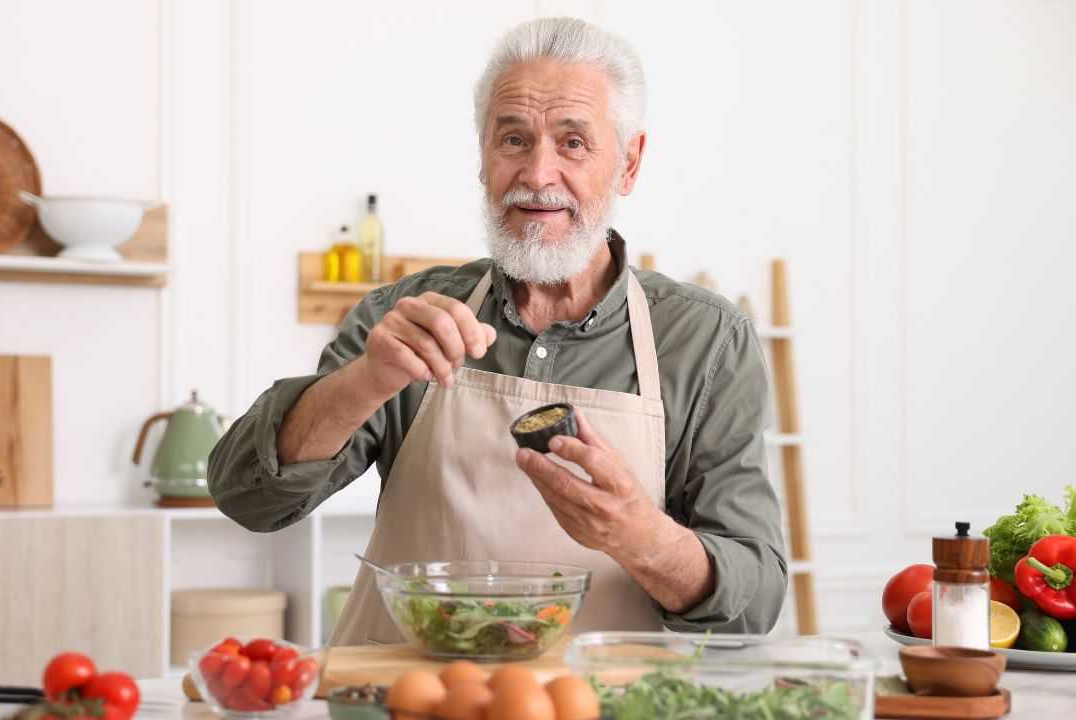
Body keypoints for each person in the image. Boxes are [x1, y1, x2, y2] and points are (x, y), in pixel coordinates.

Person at [209, 17, 787, 640]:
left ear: (628, 163)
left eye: (572, 143)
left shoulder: (706, 342)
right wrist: (365, 382)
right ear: (483, 158)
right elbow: (247, 499)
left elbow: (754, 604)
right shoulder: (401, 316)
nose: (537, 175)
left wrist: (639, 534)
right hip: (409, 699)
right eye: (514, 140)